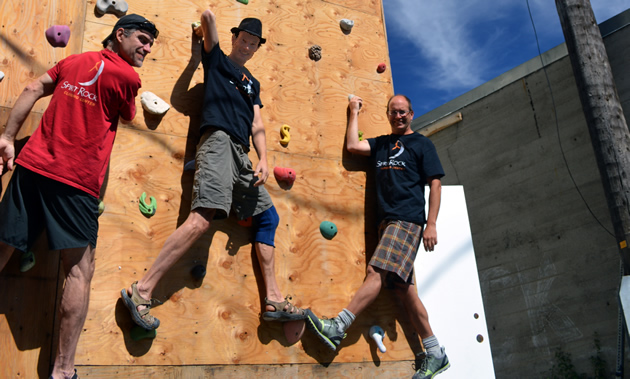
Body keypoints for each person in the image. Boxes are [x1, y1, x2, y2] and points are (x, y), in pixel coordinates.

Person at [120, 11, 305, 331]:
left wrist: (263, 157)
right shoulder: (217, 60)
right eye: (244, 40)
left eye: (253, 44)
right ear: (234, 38)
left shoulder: (253, 83)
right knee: (202, 217)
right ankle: (142, 291)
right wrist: (206, 20)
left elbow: (257, 123)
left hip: (243, 155)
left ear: (257, 48)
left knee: (268, 217)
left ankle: (273, 299)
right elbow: (208, 28)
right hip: (217, 141)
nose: (247, 46)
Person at [0, 14, 158, 379]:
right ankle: (63, 371)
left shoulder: (74, 61)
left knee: (4, 245)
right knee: (79, 271)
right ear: (120, 35)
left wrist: (8, 138)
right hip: (76, 182)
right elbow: (129, 116)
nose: (147, 49)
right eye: (142, 39)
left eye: (150, 44)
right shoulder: (129, 78)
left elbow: (30, 90)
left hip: (32, 167)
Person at [304, 94, 450, 379]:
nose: (399, 116)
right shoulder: (381, 143)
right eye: (394, 112)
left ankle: (338, 327)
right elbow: (353, 145)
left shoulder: (422, 144)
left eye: (403, 112)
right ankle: (435, 352)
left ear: (411, 113)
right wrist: (353, 111)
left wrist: (431, 223)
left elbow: (435, 183)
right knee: (403, 290)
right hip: (387, 222)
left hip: (407, 220)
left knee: (376, 271)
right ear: (388, 115)